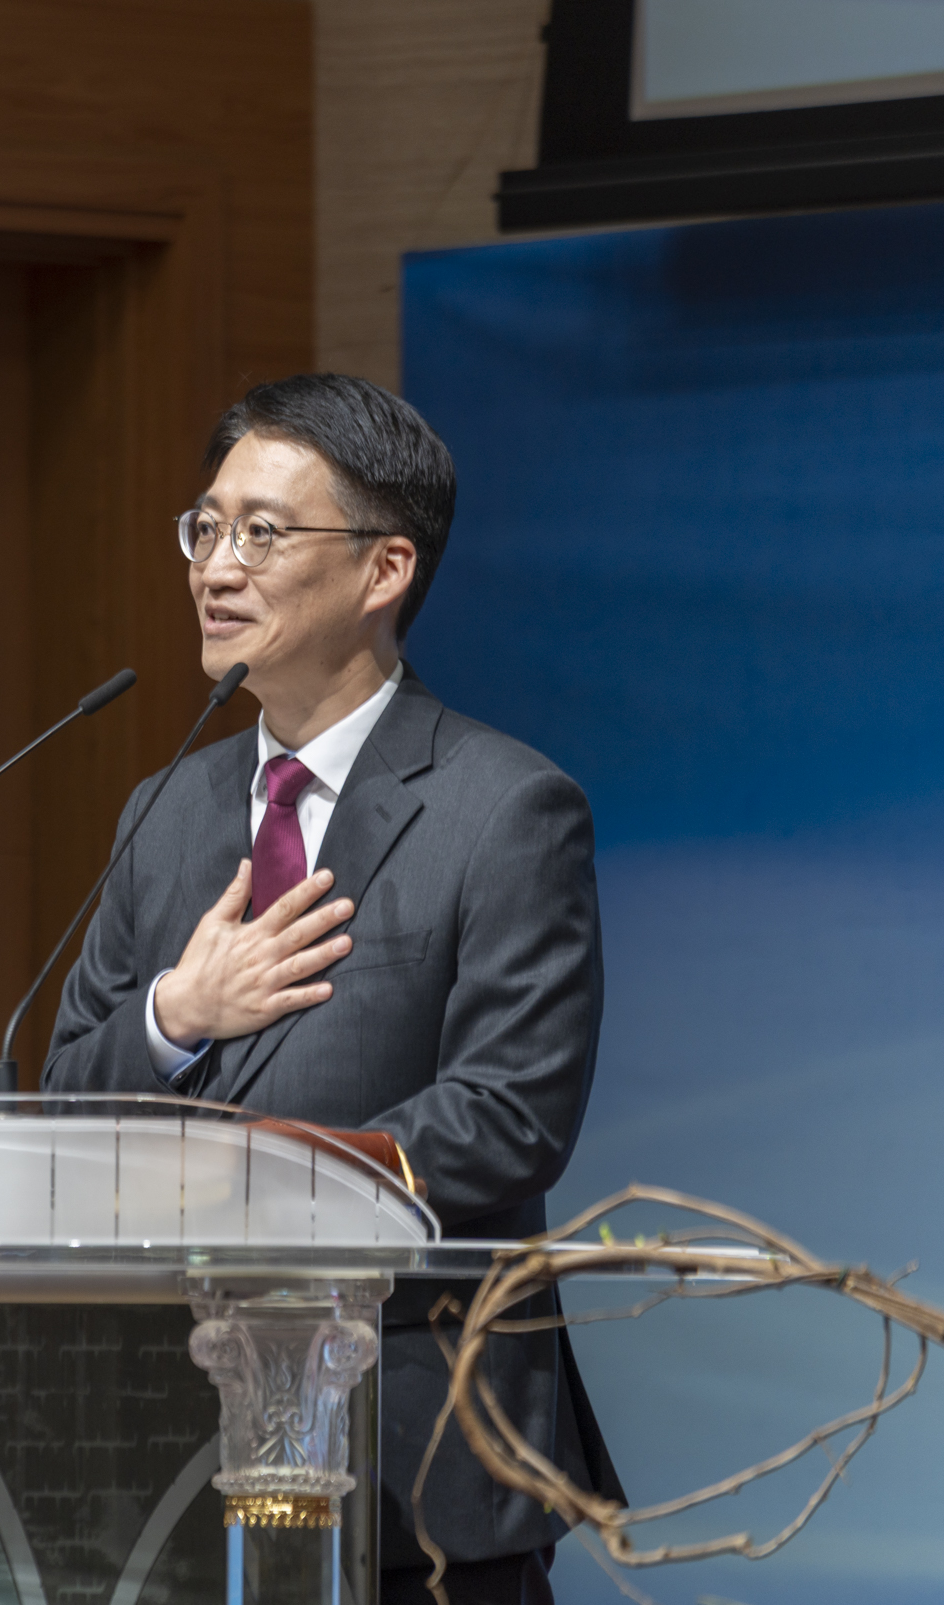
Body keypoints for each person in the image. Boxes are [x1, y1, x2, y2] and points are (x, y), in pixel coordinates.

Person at [43, 374, 618, 1605]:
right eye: (205, 528)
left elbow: (509, 1115)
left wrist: (271, 1188)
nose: (215, 568)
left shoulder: (504, 809)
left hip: (417, 1458)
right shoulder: (163, 813)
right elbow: (61, 1098)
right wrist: (173, 1019)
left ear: (382, 568)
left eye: (262, 532)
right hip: (169, 1450)